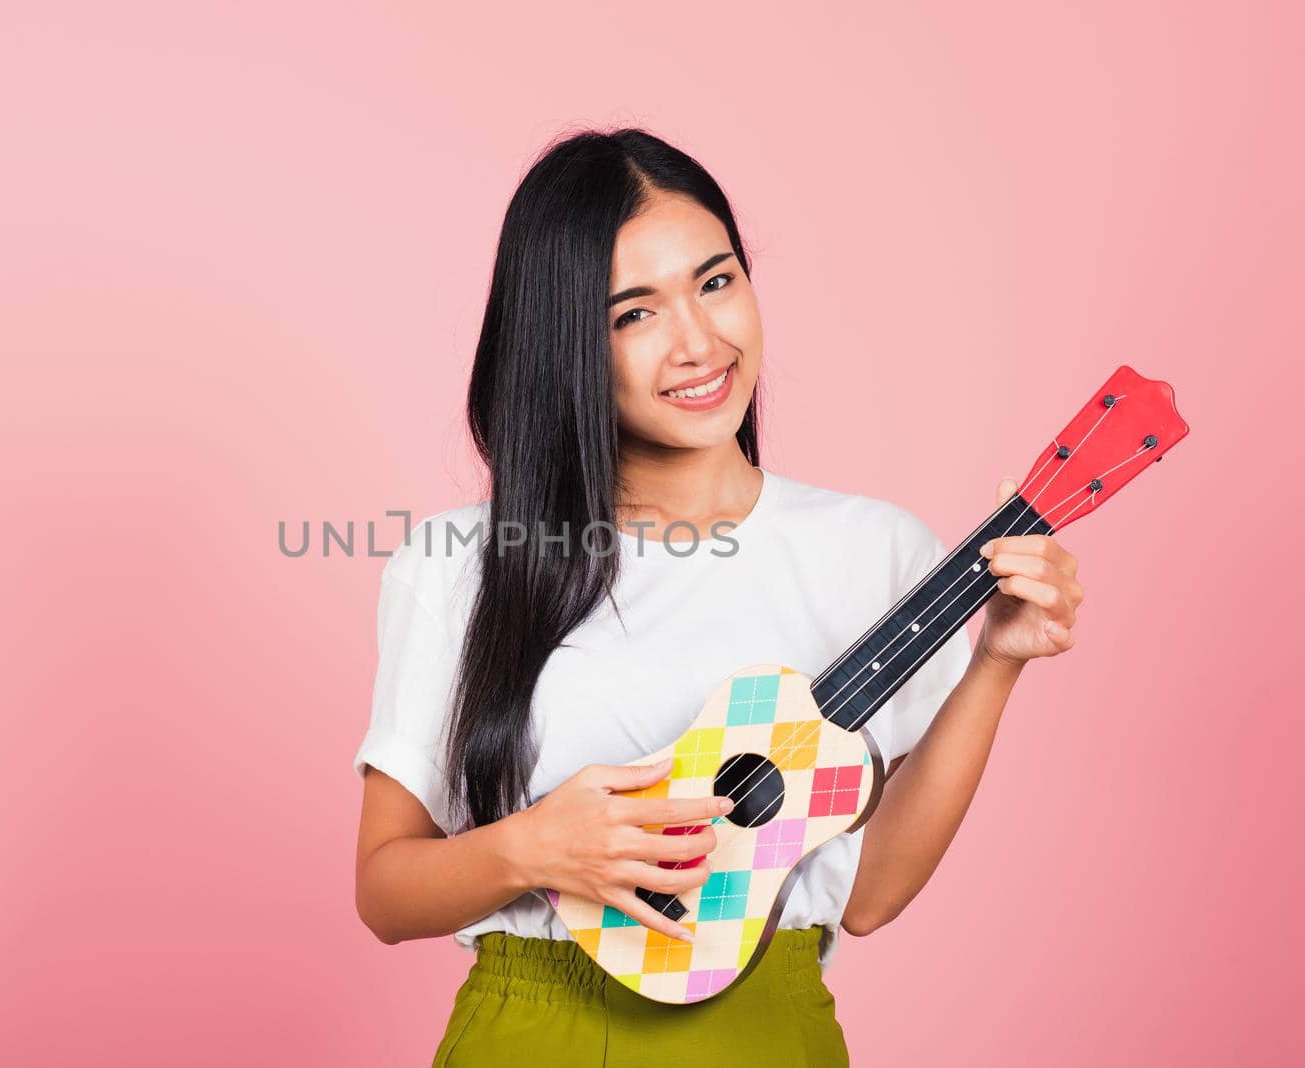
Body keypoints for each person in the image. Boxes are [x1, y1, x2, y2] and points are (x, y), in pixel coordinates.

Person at [352, 128, 1085, 1066]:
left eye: (716, 281)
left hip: (771, 1028)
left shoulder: (880, 554)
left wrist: (996, 662)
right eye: (633, 314)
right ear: (564, 345)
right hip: (532, 1029)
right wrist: (533, 850)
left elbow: (870, 899)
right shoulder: (465, 564)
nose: (699, 342)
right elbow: (383, 891)